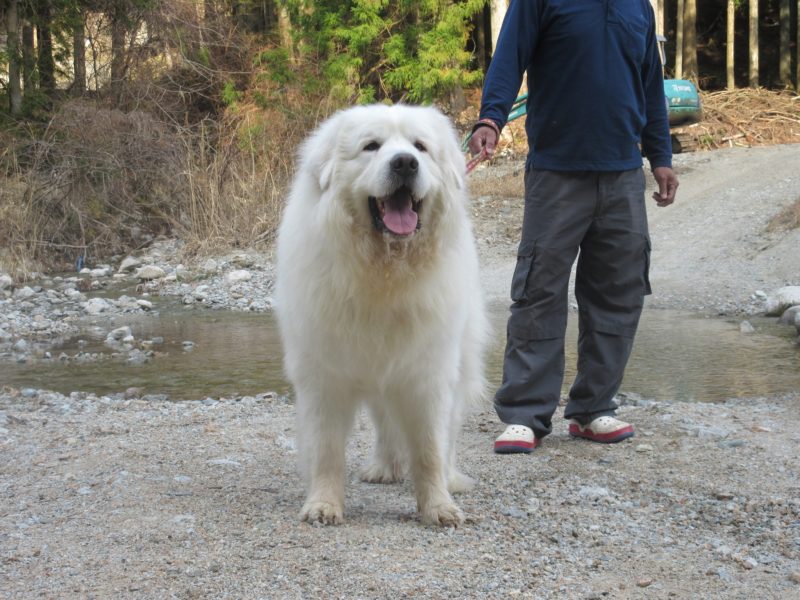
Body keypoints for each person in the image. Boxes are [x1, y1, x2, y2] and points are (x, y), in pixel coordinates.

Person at [468, 0, 679, 453]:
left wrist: (660, 157)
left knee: (618, 292)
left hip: (623, 174)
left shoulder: (638, 7)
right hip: (556, 172)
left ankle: (593, 409)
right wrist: (491, 118)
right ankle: (524, 415)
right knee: (539, 290)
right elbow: (509, 58)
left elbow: (649, 86)